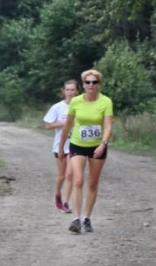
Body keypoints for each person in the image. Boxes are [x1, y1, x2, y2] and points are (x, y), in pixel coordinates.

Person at [58, 69, 113, 233]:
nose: (91, 85)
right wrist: (61, 146)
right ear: (83, 84)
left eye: (94, 82)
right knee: (78, 180)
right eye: (88, 82)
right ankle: (76, 219)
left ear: (99, 84)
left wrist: (103, 144)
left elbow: (109, 126)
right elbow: (68, 125)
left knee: (93, 183)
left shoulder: (106, 102)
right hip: (77, 144)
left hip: (97, 146)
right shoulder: (76, 101)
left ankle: (87, 218)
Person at [43, 80, 79, 213]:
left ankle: (66, 203)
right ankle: (58, 194)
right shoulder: (57, 107)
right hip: (60, 145)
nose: (70, 92)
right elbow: (48, 125)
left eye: (73, 90)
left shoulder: (81, 106)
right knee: (62, 176)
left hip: (76, 145)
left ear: (77, 91)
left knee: (70, 174)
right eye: (68, 90)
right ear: (63, 92)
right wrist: (64, 123)